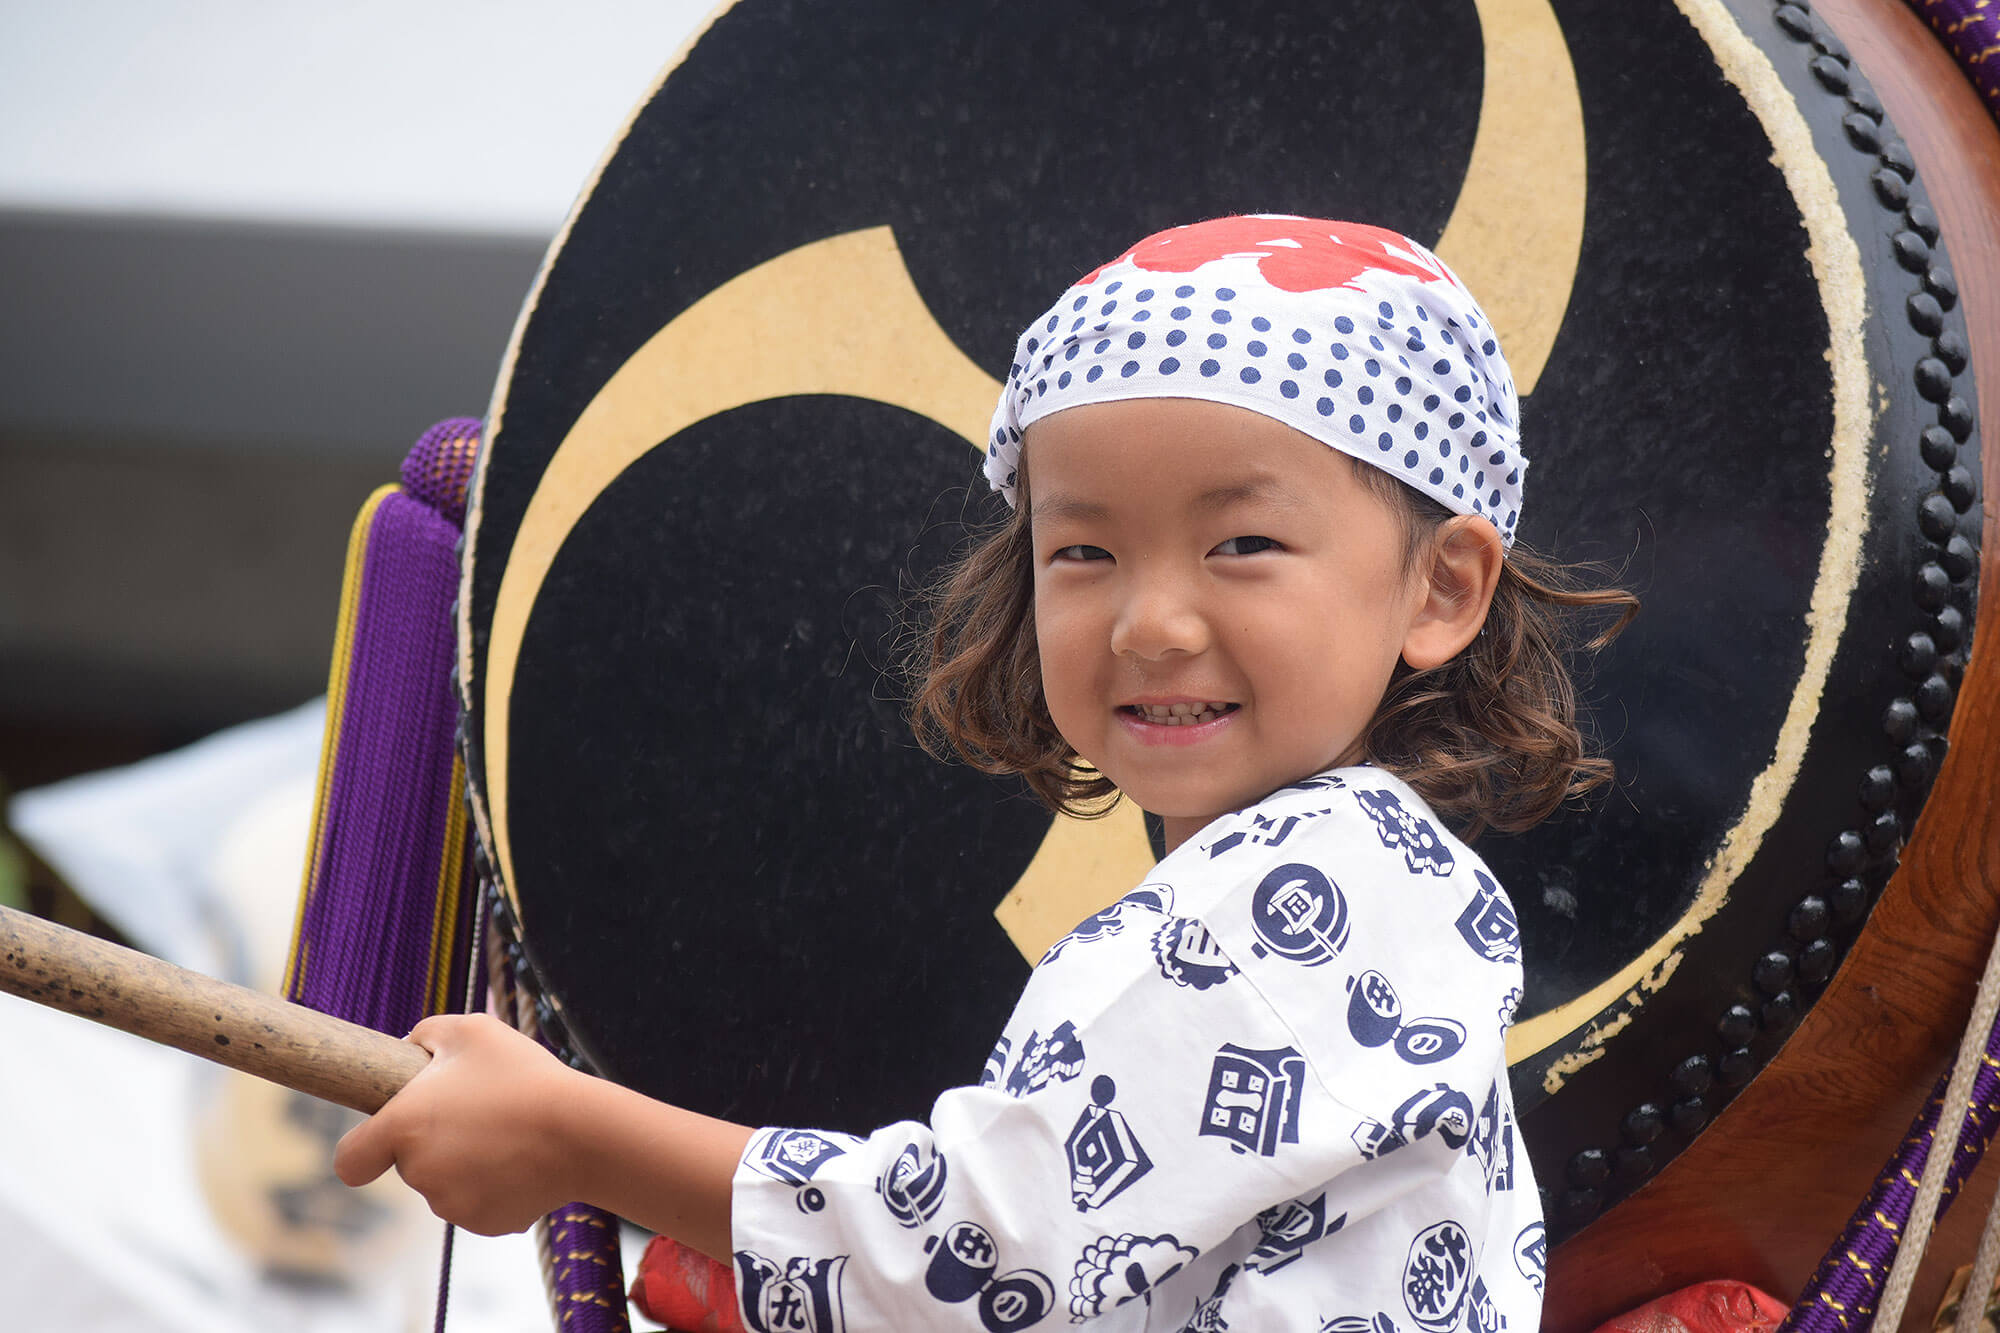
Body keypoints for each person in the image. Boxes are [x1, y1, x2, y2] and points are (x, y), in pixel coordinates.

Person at [335, 215, 1636, 1333]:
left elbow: (984, 1256)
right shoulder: (1326, 878)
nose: (1150, 622)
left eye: (1241, 541)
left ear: (1442, 585)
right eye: (1084, 553)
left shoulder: (1323, 885)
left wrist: (577, 1134)